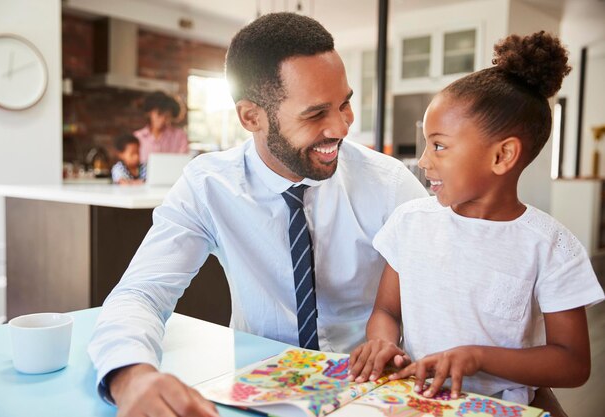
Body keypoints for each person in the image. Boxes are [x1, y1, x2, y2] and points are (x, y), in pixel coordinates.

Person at [88, 12, 428, 417]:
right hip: (259, 393)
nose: (341, 126)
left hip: (372, 392)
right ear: (251, 117)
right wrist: (131, 376)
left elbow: (441, 295)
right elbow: (140, 294)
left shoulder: (389, 185)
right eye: (316, 113)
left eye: (345, 104)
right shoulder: (208, 185)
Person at [347, 31, 605, 416]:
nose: (422, 160)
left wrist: (477, 357)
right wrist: (383, 342)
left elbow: (572, 363)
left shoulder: (551, 246)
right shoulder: (410, 222)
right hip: (418, 401)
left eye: (438, 145)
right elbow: (387, 311)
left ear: (502, 156)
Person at [134, 91, 189, 164]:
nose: (163, 120)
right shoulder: (138, 137)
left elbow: (183, 163)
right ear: (149, 113)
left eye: (167, 116)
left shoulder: (180, 136)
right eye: (159, 114)